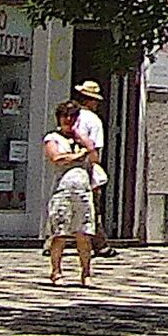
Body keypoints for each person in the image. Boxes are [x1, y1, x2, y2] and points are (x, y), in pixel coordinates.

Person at [42, 100, 99, 286]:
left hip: (83, 190)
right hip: (63, 190)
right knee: (60, 233)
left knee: (84, 233)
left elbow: (94, 157)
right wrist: (76, 156)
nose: (68, 120)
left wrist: (82, 140)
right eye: (65, 116)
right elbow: (56, 157)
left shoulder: (81, 138)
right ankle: (56, 271)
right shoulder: (53, 137)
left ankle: (86, 273)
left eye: (73, 116)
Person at [72, 81, 112, 246]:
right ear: (89, 100)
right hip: (86, 168)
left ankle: (53, 241)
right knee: (92, 208)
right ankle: (100, 244)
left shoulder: (71, 117)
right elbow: (95, 149)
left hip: (69, 165)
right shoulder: (94, 120)